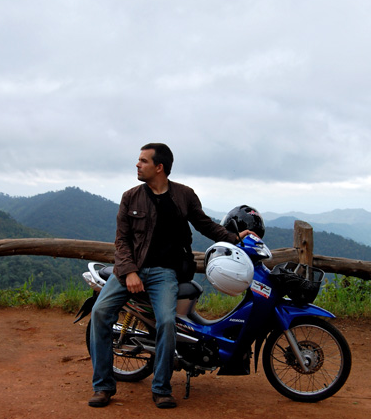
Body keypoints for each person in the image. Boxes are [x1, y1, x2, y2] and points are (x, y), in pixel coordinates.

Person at [87, 143, 254, 409]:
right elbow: (122, 241)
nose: (137, 165)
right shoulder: (130, 196)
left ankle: (161, 388)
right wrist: (130, 272)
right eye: (138, 160)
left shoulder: (184, 195)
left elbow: (205, 224)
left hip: (165, 272)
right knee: (99, 314)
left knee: (167, 322)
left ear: (159, 167)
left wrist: (234, 238)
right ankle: (103, 386)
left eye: (143, 161)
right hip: (128, 270)